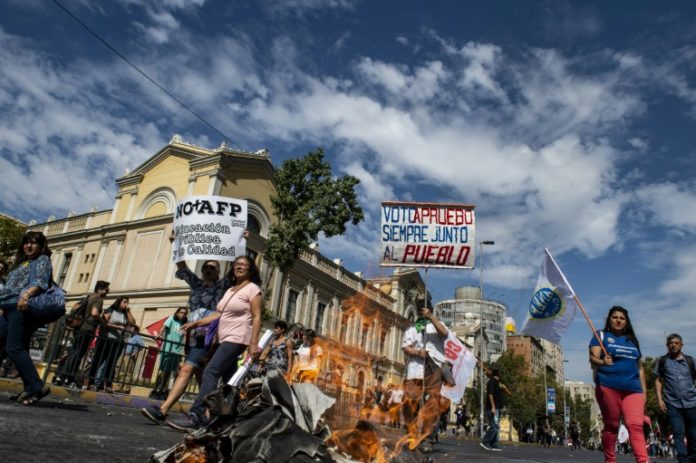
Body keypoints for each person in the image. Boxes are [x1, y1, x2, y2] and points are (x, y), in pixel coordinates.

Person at [166, 255, 262, 432]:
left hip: (237, 338)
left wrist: (253, 343)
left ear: (250, 269)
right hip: (223, 338)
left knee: (210, 371)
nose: (239, 267)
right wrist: (195, 323)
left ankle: (197, 415)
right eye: (237, 264)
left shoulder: (253, 289)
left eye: (244, 265)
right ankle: (231, 418)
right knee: (229, 381)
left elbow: (256, 317)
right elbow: (218, 314)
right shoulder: (231, 290)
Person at [141, 240, 231, 424]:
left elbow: (236, 267)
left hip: (209, 338)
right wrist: (176, 244)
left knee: (187, 369)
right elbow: (181, 265)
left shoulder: (222, 286)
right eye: (206, 266)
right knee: (202, 375)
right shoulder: (196, 284)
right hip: (192, 337)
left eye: (213, 268)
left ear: (218, 273)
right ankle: (210, 413)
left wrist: (240, 240)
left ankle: (163, 410)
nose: (208, 269)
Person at [0, 231, 55, 405]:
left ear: (41, 246)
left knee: (14, 348)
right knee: (10, 345)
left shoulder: (42, 260)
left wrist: (26, 296)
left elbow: (41, 282)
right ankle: (31, 385)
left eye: (33, 243)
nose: (29, 246)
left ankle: (34, 385)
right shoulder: (22, 263)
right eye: (26, 242)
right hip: (7, 308)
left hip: (21, 307)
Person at [589, 305, 649, 463]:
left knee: (635, 424)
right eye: (615, 317)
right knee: (612, 425)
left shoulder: (632, 341)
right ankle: (610, 460)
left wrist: (644, 393)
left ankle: (643, 460)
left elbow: (640, 368)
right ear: (609, 319)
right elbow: (592, 360)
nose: (618, 320)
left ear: (626, 322)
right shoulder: (600, 335)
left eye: (622, 318)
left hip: (633, 389)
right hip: (608, 386)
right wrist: (602, 361)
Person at [401, 306, 450, 453]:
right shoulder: (412, 328)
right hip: (415, 371)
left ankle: (427, 440)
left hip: (434, 370)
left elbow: (445, 333)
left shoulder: (437, 325)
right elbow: (405, 347)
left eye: (426, 310)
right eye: (421, 310)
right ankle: (412, 435)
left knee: (432, 406)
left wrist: (431, 318)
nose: (423, 312)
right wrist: (416, 352)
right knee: (410, 405)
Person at [58, 280, 110, 388]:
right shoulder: (98, 299)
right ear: (99, 289)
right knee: (78, 355)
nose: (107, 291)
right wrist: (103, 323)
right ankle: (68, 377)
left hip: (79, 328)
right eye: (106, 289)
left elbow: (74, 307)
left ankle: (62, 377)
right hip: (88, 329)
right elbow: (95, 313)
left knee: (73, 352)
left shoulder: (89, 297)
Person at [654, 333, 696, 463]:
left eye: (676, 343)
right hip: (672, 404)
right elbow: (658, 381)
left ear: (681, 345)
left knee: (693, 435)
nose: (673, 345)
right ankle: (683, 460)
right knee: (678, 433)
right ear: (667, 345)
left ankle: (693, 458)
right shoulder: (663, 361)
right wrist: (660, 400)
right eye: (670, 343)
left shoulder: (690, 361)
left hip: (692, 402)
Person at [87, 296, 135, 391]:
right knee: (98, 360)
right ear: (119, 301)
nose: (126, 304)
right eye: (124, 301)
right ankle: (91, 382)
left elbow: (132, 323)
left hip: (118, 341)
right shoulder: (110, 310)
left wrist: (129, 311)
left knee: (111, 363)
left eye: (127, 302)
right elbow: (104, 322)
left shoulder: (125, 314)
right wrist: (117, 327)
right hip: (106, 339)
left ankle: (107, 384)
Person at [151, 307, 187, 399]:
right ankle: (156, 389)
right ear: (177, 313)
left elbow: (185, 335)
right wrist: (159, 334)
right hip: (167, 349)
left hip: (177, 351)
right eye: (181, 312)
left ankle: (164, 390)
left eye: (184, 313)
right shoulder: (171, 319)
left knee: (171, 371)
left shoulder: (184, 324)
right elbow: (163, 327)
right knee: (163, 370)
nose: (183, 315)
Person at [480, 367, 504, 451]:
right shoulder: (491, 382)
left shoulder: (498, 382)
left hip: (498, 408)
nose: (501, 375)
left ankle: (493, 443)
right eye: (500, 373)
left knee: (497, 427)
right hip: (492, 408)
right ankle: (485, 441)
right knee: (493, 426)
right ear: (497, 374)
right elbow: (490, 395)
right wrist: (493, 407)